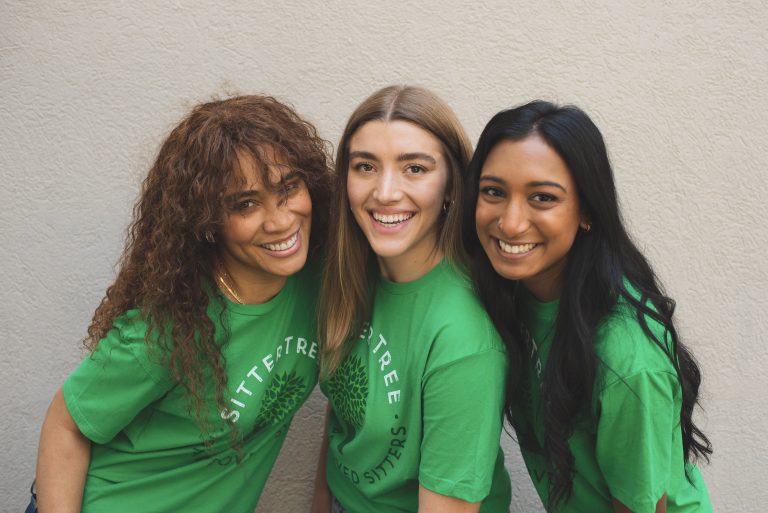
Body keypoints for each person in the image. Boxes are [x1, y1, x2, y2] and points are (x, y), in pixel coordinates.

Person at [32, 95, 333, 513]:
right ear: (208, 222)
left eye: (288, 189)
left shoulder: (319, 280)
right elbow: (66, 425)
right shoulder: (174, 325)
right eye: (245, 204)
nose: (280, 220)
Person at [464, 100, 712, 513]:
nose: (510, 222)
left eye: (542, 198)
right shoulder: (514, 291)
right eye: (493, 192)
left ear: (587, 212)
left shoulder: (627, 359)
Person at [312, 85, 511, 513]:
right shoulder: (352, 272)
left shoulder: (464, 339)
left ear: (452, 185)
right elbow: (349, 408)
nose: (385, 192)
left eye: (414, 169)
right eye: (365, 166)